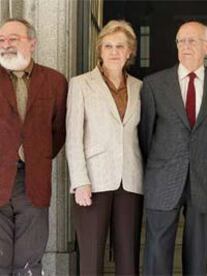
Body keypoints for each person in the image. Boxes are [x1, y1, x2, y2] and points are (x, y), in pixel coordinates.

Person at [139, 21, 207, 275]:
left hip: (205, 179)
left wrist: (205, 161)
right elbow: (145, 136)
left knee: (198, 257)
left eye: (192, 41)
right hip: (163, 179)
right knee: (157, 254)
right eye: (181, 41)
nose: (185, 46)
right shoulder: (153, 84)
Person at [66, 20, 143, 275]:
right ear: (100, 50)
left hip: (130, 181)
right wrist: (80, 181)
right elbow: (73, 137)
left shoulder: (140, 88)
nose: (114, 52)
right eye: (108, 46)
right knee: (91, 256)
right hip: (93, 182)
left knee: (128, 257)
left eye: (120, 46)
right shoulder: (80, 84)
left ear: (129, 51)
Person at [0, 18, 67, 275]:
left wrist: (38, 156)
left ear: (33, 43)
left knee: (29, 263)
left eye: (13, 39)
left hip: (34, 181)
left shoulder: (55, 81)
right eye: (2, 40)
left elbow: (59, 131)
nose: (6, 45)